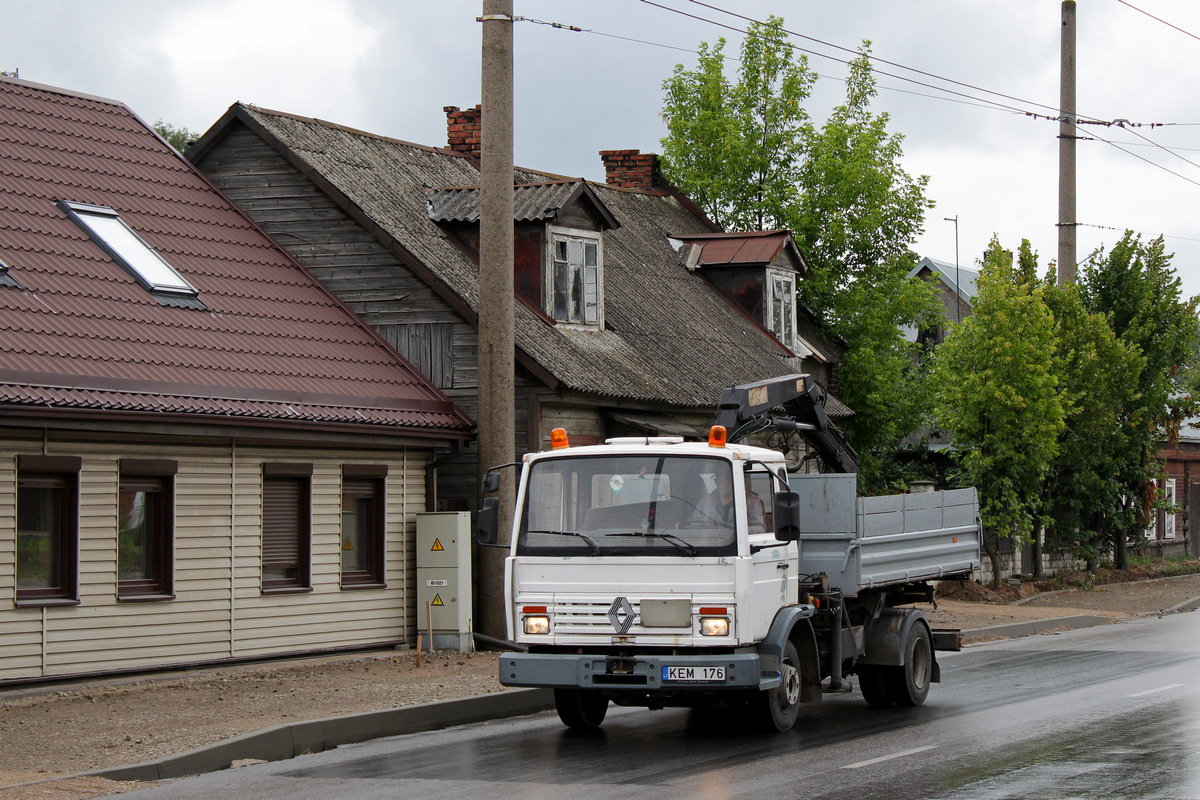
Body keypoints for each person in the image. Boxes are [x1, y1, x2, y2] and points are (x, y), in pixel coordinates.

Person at [690, 470, 765, 533]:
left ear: (735, 481)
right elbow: (694, 525)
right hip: (710, 544)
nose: (722, 483)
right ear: (716, 481)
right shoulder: (706, 500)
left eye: (726, 480)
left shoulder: (751, 501)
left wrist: (735, 532)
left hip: (738, 545)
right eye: (719, 479)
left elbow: (759, 528)